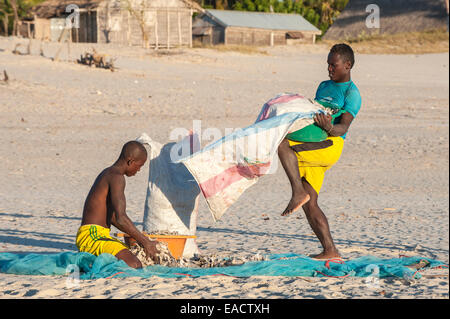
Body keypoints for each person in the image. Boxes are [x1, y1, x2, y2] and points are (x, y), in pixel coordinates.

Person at [277, 43, 362, 260]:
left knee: (282, 145)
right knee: (309, 201)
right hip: (317, 140)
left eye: (333, 65)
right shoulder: (323, 85)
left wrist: (328, 127)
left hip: (331, 144)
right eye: (328, 65)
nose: (329, 69)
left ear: (347, 65)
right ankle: (330, 250)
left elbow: (343, 127)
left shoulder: (352, 94)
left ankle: (296, 191)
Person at [76, 141, 159, 268]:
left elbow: (113, 218)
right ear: (130, 161)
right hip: (92, 236)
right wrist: (145, 242)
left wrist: (136, 236)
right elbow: (121, 218)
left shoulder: (109, 173)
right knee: (134, 264)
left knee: (132, 258)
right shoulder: (116, 177)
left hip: (98, 235)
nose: (139, 170)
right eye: (139, 165)